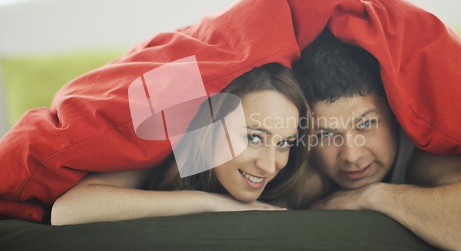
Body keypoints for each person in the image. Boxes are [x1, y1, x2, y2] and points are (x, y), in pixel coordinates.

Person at [291, 30, 461, 251]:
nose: (351, 155)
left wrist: (373, 196)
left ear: (394, 113)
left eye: (366, 124)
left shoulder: (424, 156)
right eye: (325, 135)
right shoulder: (300, 160)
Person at [50, 63, 310, 225]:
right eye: (253, 137)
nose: (268, 165)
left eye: (284, 143)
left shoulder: (291, 177)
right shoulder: (166, 152)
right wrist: (209, 203)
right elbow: (66, 212)